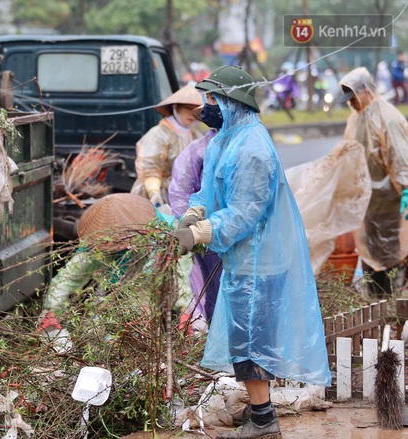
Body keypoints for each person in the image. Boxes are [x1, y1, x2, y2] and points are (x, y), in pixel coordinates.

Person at [173, 65, 331, 438]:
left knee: (252, 341)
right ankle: (260, 413)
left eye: (212, 98)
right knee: (243, 338)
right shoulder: (224, 140)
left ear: (231, 101)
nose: (205, 106)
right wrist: (193, 213)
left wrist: (198, 234)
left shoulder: (253, 148)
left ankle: (263, 420)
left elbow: (245, 212)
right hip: (243, 256)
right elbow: (208, 191)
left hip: (262, 259)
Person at [37, 193, 190, 351]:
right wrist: (53, 309)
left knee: (138, 335)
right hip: (114, 290)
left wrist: (184, 309)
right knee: (96, 336)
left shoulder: (165, 235)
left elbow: (182, 274)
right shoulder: (97, 243)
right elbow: (69, 277)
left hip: (151, 289)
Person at [340, 67, 408, 296]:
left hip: (390, 206)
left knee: (391, 257)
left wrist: (406, 190)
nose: (353, 103)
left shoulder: (388, 119)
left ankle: (392, 310)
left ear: (366, 91)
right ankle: (378, 309)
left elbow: (400, 159)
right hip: (367, 206)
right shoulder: (355, 119)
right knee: (370, 257)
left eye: (355, 96)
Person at [168, 105, 223, 332]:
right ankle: (214, 338)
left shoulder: (245, 147)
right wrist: (190, 223)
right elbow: (182, 189)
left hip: (235, 230)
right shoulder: (199, 150)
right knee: (212, 286)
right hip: (206, 231)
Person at [130, 85, 203, 207]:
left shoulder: (197, 136)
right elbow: (149, 168)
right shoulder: (158, 134)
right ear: (175, 107)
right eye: (188, 108)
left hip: (186, 195)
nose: (192, 114)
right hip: (158, 193)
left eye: (196, 110)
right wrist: (154, 193)